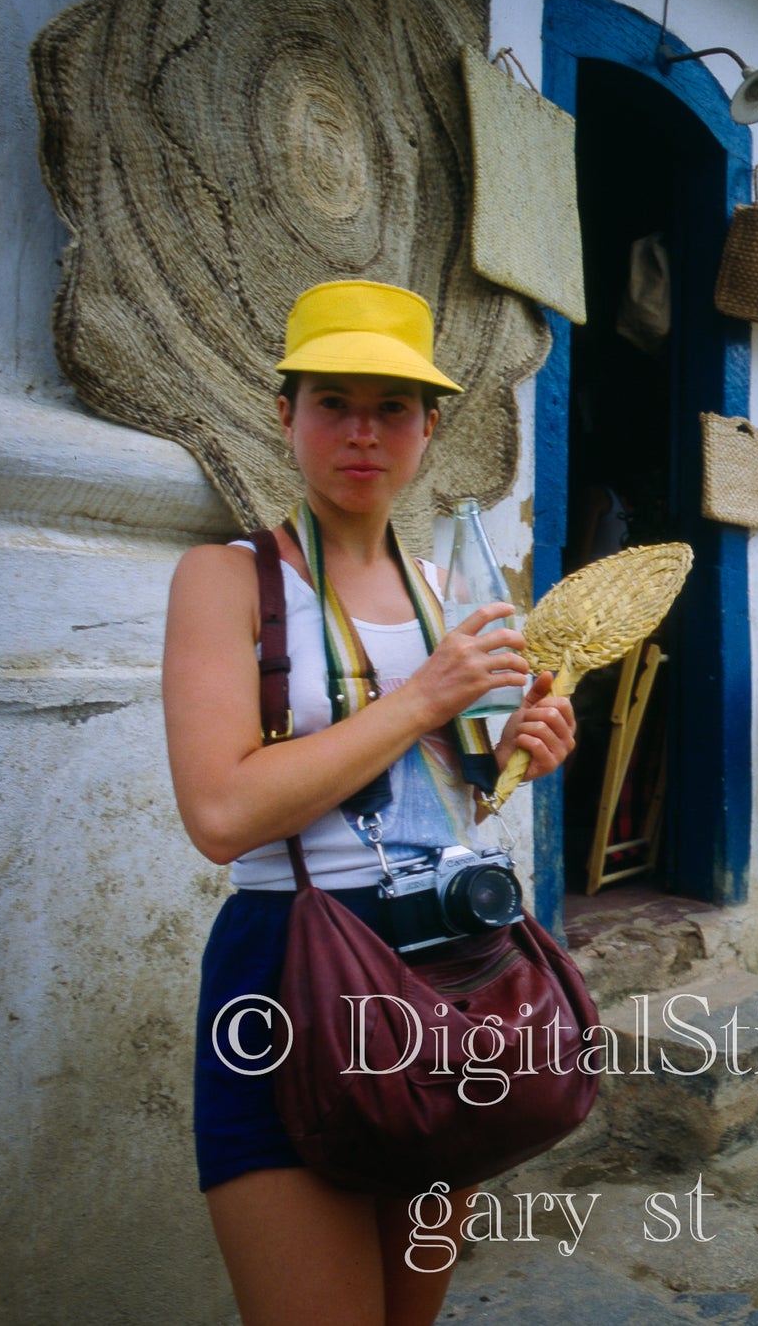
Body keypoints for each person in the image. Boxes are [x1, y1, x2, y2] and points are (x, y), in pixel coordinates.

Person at [163, 280, 577, 1325]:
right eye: (332, 401)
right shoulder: (228, 579)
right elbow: (220, 813)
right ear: (284, 413)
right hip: (286, 964)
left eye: (391, 407)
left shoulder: (448, 592)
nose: (361, 431)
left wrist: (515, 757)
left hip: (444, 968)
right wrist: (424, 696)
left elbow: (444, 807)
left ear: (429, 426)